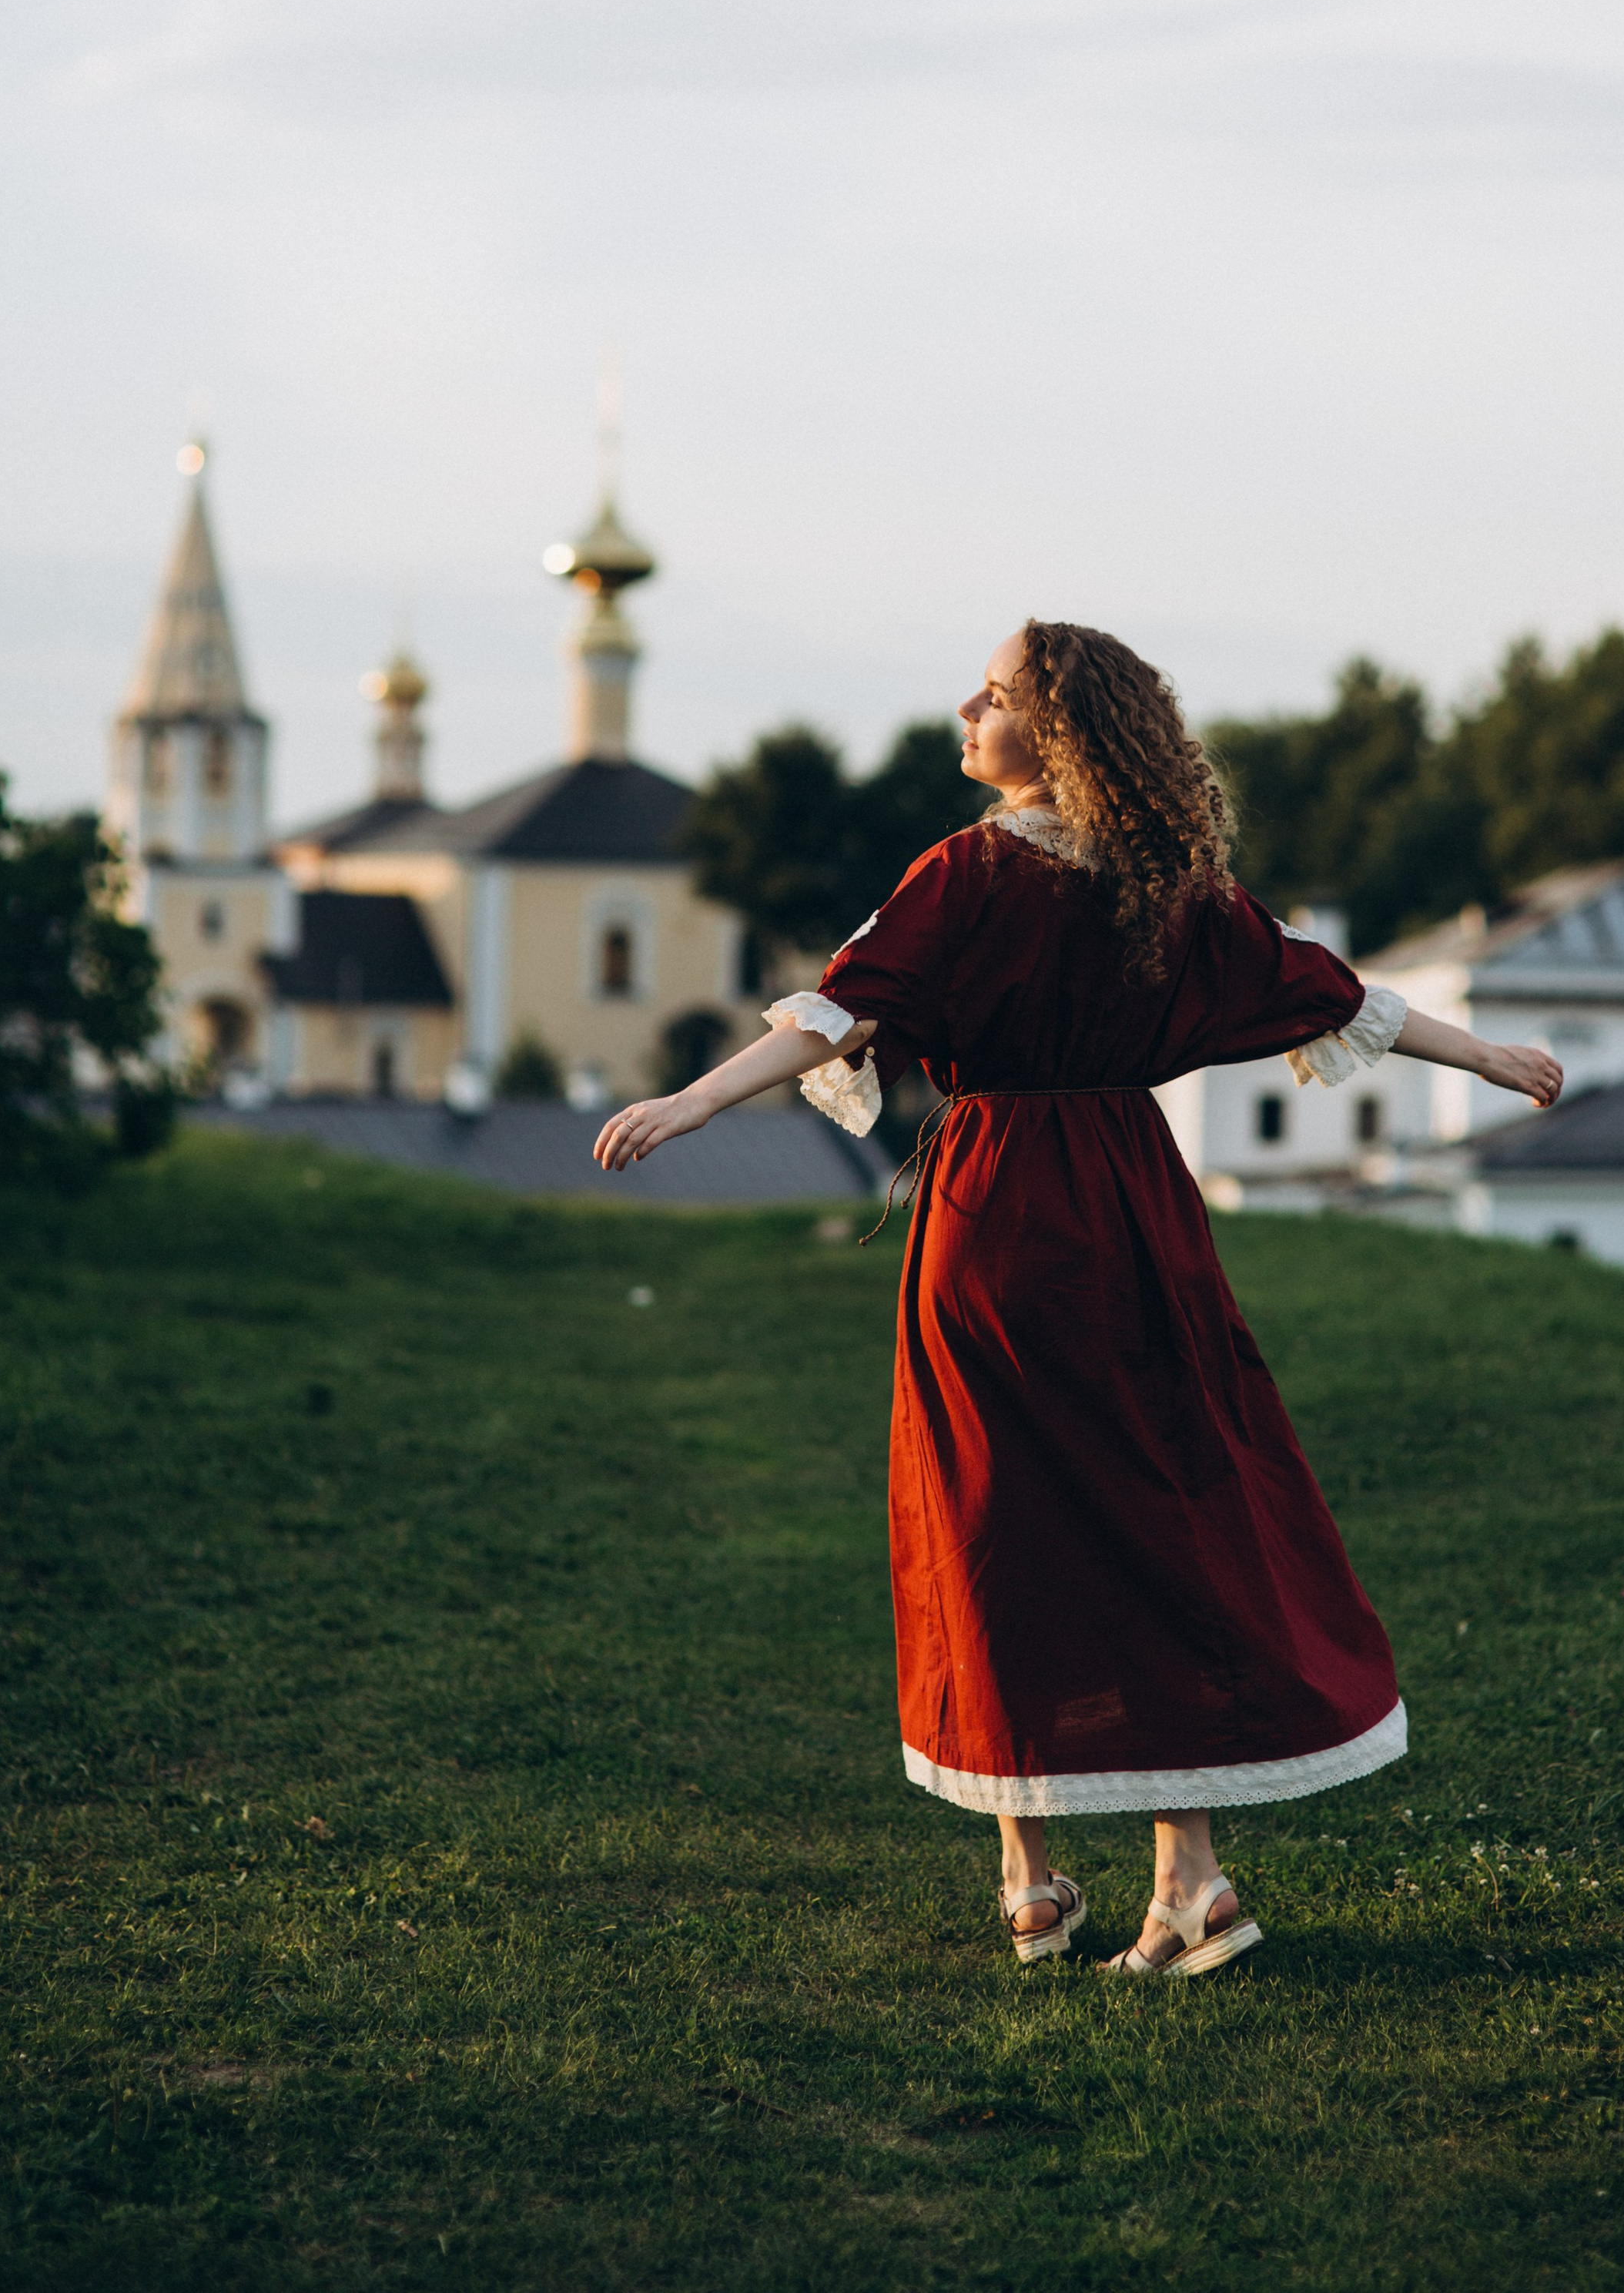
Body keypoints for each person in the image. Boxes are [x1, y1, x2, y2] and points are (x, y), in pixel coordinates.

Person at [595, 624, 1561, 1975]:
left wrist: (687, 1102)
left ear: (1057, 735)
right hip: (1131, 1208)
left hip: (995, 1219)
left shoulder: (967, 872)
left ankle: (1041, 1880)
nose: (967, 705)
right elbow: (1327, 990)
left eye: (995, 694)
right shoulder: (1169, 886)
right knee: (1153, 1512)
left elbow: (836, 1013)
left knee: (993, 1522)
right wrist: (1492, 1057)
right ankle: (1185, 1879)